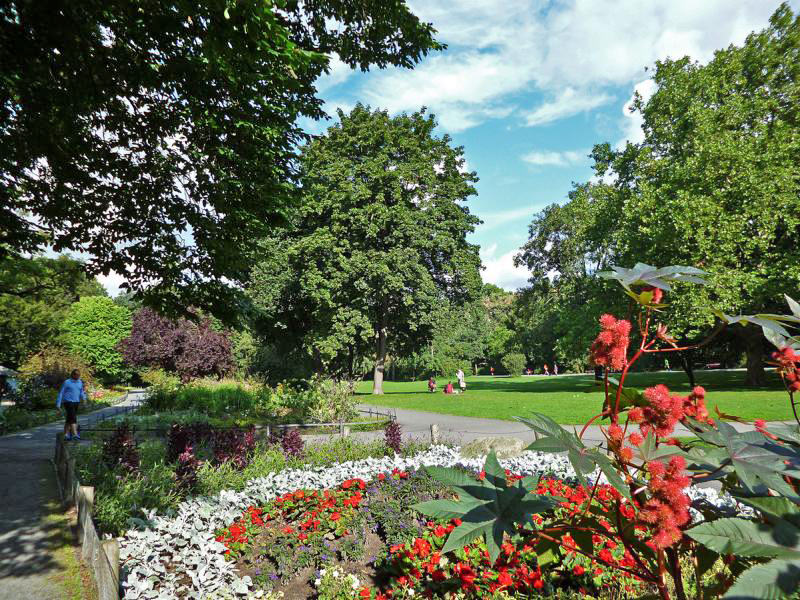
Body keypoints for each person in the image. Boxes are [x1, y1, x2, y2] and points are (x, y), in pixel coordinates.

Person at [57, 369, 86, 441]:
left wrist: (84, 399)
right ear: (73, 375)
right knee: (73, 418)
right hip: (68, 402)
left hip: (76, 402)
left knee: (69, 418)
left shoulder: (80, 382)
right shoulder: (67, 382)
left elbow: (81, 391)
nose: (78, 377)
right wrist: (58, 404)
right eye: (77, 375)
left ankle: (66, 434)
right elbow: (61, 393)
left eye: (79, 375)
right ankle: (75, 434)